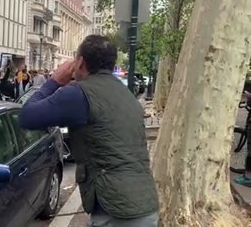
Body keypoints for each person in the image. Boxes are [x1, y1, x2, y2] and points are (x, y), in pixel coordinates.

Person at [19, 35, 159, 226]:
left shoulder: (79, 93)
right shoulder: (124, 92)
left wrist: (54, 81)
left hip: (117, 210)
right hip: (145, 204)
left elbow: (26, 116)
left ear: (80, 62)